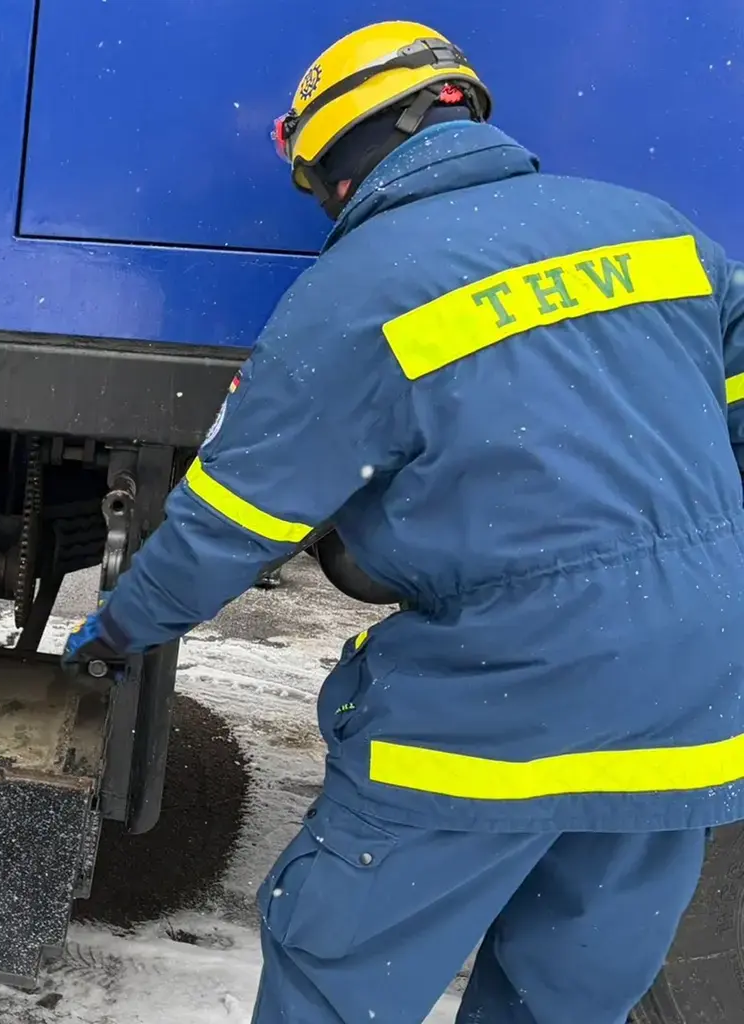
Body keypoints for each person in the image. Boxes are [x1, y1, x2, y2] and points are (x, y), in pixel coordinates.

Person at [64, 19, 744, 1024]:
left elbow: (230, 525)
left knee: (339, 969)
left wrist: (117, 629)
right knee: (569, 990)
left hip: (501, 696)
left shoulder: (355, 293)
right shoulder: (659, 231)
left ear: (343, 158)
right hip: (698, 693)